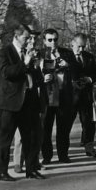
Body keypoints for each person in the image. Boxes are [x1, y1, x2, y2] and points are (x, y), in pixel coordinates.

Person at [0, 24, 45, 181]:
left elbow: (35, 78)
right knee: (5, 139)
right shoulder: (4, 52)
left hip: (29, 101)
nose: (29, 41)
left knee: (31, 137)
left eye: (30, 38)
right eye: (26, 38)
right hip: (11, 102)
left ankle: (31, 169)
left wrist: (35, 66)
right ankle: (1, 172)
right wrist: (25, 62)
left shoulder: (30, 53)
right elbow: (7, 73)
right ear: (16, 37)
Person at [41, 28, 77, 164]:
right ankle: (47, 156)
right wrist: (43, 76)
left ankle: (63, 155)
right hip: (47, 96)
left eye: (55, 39)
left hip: (63, 95)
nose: (53, 42)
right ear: (44, 41)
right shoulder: (40, 54)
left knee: (63, 128)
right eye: (50, 40)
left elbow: (77, 69)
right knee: (46, 128)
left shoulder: (67, 53)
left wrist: (68, 65)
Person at [70, 33, 96, 158]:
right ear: (73, 43)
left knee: (89, 123)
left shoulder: (89, 57)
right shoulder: (66, 57)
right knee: (66, 124)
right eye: (79, 46)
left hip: (86, 96)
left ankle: (89, 147)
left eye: (84, 46)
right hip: (71, 96)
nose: (81, 49)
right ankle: (63, 152)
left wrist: (90, 78)